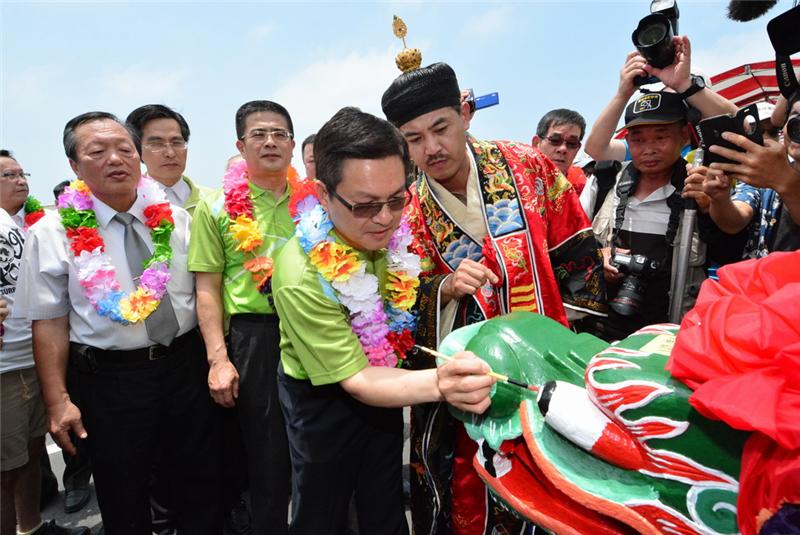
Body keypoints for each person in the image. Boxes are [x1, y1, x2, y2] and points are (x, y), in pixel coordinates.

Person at [381, 62, 606, 534]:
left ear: (466, 114)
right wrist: (443, 288)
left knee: (567, 483)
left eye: (441, 128)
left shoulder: (527, 165)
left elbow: (577, 254)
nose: (432, 148)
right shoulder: (409, 209)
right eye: (414, 138)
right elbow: (403, 302)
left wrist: (580, 343)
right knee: (476, 489)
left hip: (550, 356)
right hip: (473, 384)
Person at [272, 106, 496, 535]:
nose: (385, 218)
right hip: (322, 402)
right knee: (323, 508)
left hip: (388, 383)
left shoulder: (391, 233)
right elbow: (356, 380)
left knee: (383, 504)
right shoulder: (300, 274)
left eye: (397, 199)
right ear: (322, 194)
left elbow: (406, 299)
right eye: (365, 205)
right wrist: (441, 384)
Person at [15, 113, 222, 535]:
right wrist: (58, 402)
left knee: (200, 482)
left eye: (125, 149)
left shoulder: (175, 219)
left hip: (185, 366)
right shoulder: (52, 232)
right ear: (75, 166)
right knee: (123, 493)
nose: (116, 159)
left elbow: (202, 291)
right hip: (111, 381)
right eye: (97, 151)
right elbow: (49, 321)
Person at [189, 100, 295, 535]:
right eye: (259, 134)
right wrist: (218, 359)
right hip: (256, 338)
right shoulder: (215, 208)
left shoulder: (318, 200)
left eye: (279, 133)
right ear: (240, 144)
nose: (270, 141)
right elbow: (207, 290)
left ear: (291, 143)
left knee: (325, 443)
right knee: (267, 453)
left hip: (318, 328)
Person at [0, 150, 89, 535]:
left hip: (35, 357)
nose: (20, 180)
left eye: (22, 173)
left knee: (33, 454)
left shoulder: (31, 223)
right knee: (6, 467)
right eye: (8, 175)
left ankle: (33, 527)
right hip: (4, 368)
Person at [591, 90, 707, 339]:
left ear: (684, 135)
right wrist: (600, 257)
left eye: (661, 137)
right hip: (606, 325)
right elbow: (582, 245)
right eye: (638, 140)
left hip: (671, 330)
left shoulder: (699, 188)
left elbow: (729, 247)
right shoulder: (609, 180)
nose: (649, 150)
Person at [584, 35, 738, 163]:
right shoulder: (648, 146)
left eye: (687, 98)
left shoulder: (720, 146)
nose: (678, 107)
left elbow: (744, 126)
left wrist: (685, 85)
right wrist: (622, 94)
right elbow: (595, 149)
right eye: (671, 95)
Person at [684, 92, 800, 257]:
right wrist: (720, 199)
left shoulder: (775, 173)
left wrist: (784, 181)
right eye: (795, 117)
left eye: (771, 131)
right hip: (760, 280)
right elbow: (734, 222)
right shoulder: (763, 174)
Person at [125, 104, 212, 214]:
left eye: (176, 143)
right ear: (136, 149)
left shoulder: (214, 202)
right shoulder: (128, 203)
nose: (170, 153)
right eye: (157, 144)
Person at [531, 108, 588, 193]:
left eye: (572, 143)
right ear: (536, 143)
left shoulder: (584, 190)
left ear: (578, 149)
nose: (563, 149)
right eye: (555, 140)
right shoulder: (514, 179)